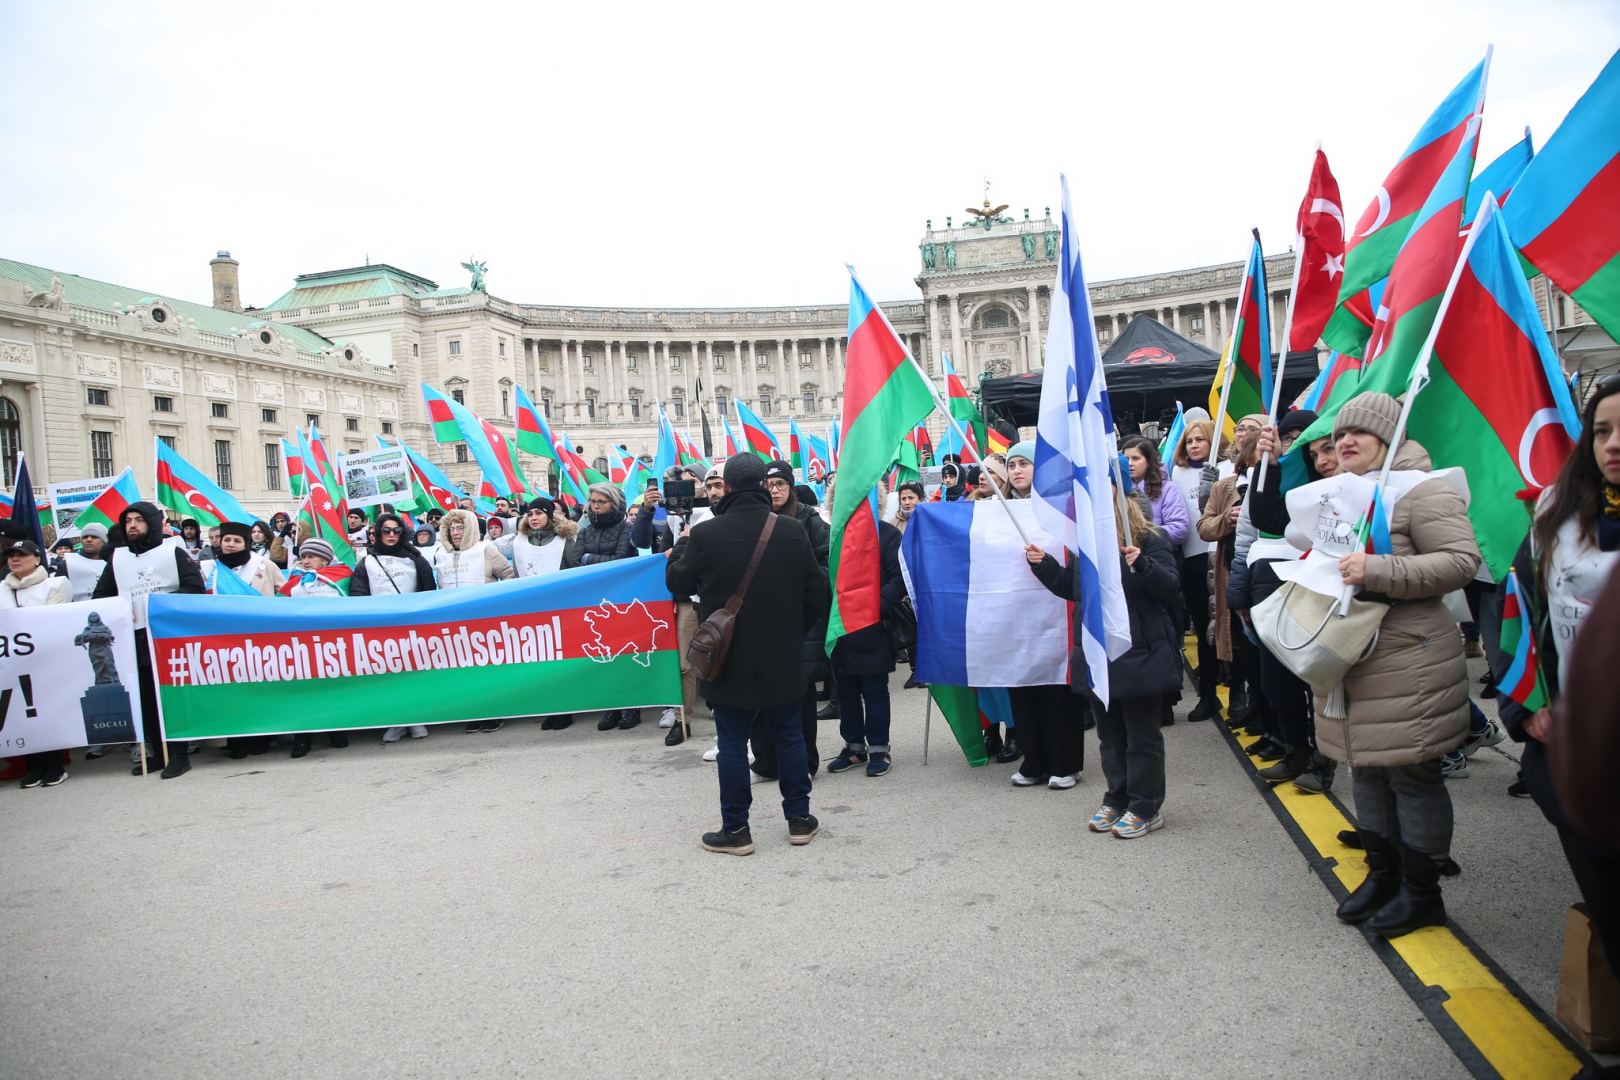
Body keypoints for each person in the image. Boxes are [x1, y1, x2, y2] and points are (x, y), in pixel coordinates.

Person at [1314, 393, 1480, 938]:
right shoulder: (1344, 494)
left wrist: (1376, 568)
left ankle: (1421, 891)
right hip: (1352, 655)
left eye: (1358, 434)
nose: (1344, 443)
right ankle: (1383, 874)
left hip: (1407, 655)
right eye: (1340, 437)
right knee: (1365, 766)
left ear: (1388, 437)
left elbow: (1461, 562)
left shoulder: (1422, 490)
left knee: (1411, 773)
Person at [1492, 376, 1620, 972]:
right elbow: (1517, 618)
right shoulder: (1555, 520)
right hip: (1582, 762)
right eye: (1602, 431)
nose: (1614, 444)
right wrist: (1525, 712)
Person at [666, 453, 829, 855]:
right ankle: (799, 820)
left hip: (726, 657)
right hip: (782, 653)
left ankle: (736, 828)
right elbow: (818, 592)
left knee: (733, 743)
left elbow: (678, 583)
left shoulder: (705, 535)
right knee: (790, 737)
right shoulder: (791, 530)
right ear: (761, 485)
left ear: (729, 488)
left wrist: (679, 549)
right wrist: (793, 630)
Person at [1027, 495, 1179, 837]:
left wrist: (1142, 565)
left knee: (1141, 736)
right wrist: (1045, 565)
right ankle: (1117, 797)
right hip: (1097, 653)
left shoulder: (1151, 538)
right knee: (1110, 735)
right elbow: (1074, 590)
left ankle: (1146, 806)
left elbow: (1170, 587)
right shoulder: (1086, 547)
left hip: (1139, 652)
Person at [1245, 413, 1340, 795]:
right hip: (1286, 583)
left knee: (1322, 684)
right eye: (1293, 438)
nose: (1310, 452)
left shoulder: (1352, 485)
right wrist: (1267, 464)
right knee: (1276, 677)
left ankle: (1324, 759)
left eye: (1319, 444)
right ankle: (1296, 748)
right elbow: (1265, 516)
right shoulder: (1289, 473)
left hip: (1333, 592)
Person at [92, 502, 206, 779]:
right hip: (135, 638)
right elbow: (101, 597)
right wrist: (119, 608)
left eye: (138, 520)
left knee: (169, 697)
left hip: (166, 636)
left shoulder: (172, 551)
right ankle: (156, 751)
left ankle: (178, 753)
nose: (132, 525)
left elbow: (195, 588)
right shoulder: (117, 559)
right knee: (145, 698)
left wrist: (157, 605)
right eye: (127, 520)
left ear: (152, 524)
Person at [1002, 440, 1085, 787]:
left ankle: (1065, 763)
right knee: (1023, 684)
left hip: (1058, 609)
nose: (1017, 470)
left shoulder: (1063, 508)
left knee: (1057, 688)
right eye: (1012, 465)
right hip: (1017, 612)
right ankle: (1033, 761)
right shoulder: (999, 510)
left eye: (1024, 463)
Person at [1197, 416, 1268, 744]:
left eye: (1251, 429)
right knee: (1238, 641)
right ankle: (1241, 699)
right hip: (1231, 569)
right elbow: (1205, 526)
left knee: (1264, 647)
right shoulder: (1225, 485)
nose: (1242, 435)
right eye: (1238, 429)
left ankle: (1268, 711)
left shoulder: (1274, 479)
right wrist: (1228, 518)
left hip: (1267, 573)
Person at [759, 459, 830, 774]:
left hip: (802, 621)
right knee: (763, 698)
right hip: (765, 623)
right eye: (769, 485)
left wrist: (797, 586)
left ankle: (807, 764)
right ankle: (767, 762)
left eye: (780, 485)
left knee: (801, 699)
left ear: (791, 488)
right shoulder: (757, 519)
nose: (774, 490)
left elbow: (828, 567)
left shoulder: (809, 520)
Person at [827, 515, 904, 777]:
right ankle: (854, 747)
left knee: (874, 692)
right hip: (840, 626)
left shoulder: (887, 534)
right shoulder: (835, 535)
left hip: (873, 625)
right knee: (845, 693)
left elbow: (899, 576)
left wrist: (875, 606)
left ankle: (879, 749)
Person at [432, 508, 515, 732]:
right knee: (464, 671)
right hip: (452, 624)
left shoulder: (485, 549)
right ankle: (474, 712)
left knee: (487, 669)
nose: (456, 533)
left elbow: (509, 576)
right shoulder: (440, 553)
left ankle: (495, 711)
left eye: (461, 528)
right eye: (452, 528)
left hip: (482, 622)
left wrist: (495, 603)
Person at [2, 539, 74, 787]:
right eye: (11, 554)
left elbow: (54, 622)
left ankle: (54, 764)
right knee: (22, 713)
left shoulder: (55, 585)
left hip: (46, 662)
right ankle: (34, 765)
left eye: (21, 554)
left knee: (47, 712)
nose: (15, 558)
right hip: (13, 664)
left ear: (37, 558)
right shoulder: (2, 588)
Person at [1168, 419, 1226, 722]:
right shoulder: (1177, 472)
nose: (1194, 445)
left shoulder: (1226, 468)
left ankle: (1237, 691)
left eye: (1201, 439)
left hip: (1219, 556)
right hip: (1192, 560)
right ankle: (1208, 694)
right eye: (1189, 440)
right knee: (1204, 628)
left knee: (1227, 628)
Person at [280, 538, 355, 757]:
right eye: (303, 556)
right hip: (302, 645)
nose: (306, 561)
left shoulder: (342, 577)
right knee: (306, 691)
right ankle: (303, 737)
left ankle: (336, 730)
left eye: (311, 556)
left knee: (333, 689)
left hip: (333, 644)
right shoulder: (294, 582)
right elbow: (276, 606)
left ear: (325, 559)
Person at [53, 522, 109, 601]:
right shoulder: (66, 565)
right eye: (85, 537)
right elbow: (58, 596)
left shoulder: (114, 562)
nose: (89, 539)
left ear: (104, 540)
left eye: (94, 537)